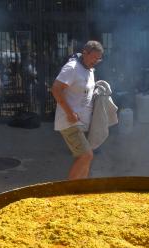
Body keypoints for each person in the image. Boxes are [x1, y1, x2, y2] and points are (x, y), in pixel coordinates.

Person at [52, 40, 104, 180]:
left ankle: (81, 189)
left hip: (83, 122)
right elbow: (56, 89)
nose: (95, 61)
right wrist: (70, 113)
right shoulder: (72, 67)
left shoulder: (90, 69)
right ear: (85, 53)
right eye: (93, 57)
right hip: (69, 121)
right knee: (86, 155)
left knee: (85, 157)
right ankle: (69, 191)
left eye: (98, 59)